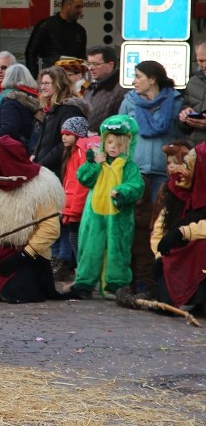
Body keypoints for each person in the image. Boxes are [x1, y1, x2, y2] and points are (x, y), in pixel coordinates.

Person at [0, 136, 65, 304]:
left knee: (15, 291)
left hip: (28, 254)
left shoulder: (40, 186)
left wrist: (24, 255)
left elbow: (50, 228)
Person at [119, 60, 182, 294]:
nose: (134, 81)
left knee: (160, 225)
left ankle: (159, 277)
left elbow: (179, 136)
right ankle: (135, 278)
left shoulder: (175, 102)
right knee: (134, 225)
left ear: (152, 79)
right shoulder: (129, 102)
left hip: (165, 173)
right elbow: (120, 134)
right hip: (137, 171)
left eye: (138, 76)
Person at [64, 115, 144, 300]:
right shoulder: (98, 162)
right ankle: (84, 282)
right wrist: (92, 164)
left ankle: (115, 284)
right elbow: (83, 178)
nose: (113, 147)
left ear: (127, 145)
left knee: (117, 249)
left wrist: (122, 191)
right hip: (95, 214)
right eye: (109, 142)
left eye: (118, 144)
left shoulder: (129, 166)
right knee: (90, 248)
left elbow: (137, 186)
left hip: (118, 216)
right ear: (103, 142)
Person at [151, 142, 206, 316]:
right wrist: (158, 253)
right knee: (168, 258)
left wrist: (184, 232)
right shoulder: (178, 189)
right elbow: (161, 225)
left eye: (189, 166)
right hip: (182, 246)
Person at [52, 116, 92, 283]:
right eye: (63, 134)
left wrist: (74, 209)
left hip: (77, 207)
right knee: (74, 240)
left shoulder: (81, 153)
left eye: (68, 134)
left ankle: (83, 275)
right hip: (71, 206)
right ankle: (80, 274)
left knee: (78, 242)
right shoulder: (72, 153)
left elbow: (81, 185)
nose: (64, 137)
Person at [33, 66, 89, 174]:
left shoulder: (69, 110)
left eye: (47, 83)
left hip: (60, 172)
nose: (43, 87)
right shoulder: (52, 109)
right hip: (47, 171)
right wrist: (35, 157)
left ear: (58, 85)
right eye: (42, 83)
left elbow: (65, 144)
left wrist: (42, 164)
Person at [23, 0, 86, 75]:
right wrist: (35, 77)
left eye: (81, 7)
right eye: (77, 7)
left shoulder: (80, 31)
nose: (80, 10)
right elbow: (30, 52)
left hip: (71, 80)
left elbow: (82, 58)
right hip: (49, 77)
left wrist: (80, 78)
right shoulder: (46, 25)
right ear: (67, 6)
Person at [0, 64, 40, 149]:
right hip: (28, 147)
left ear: (8, 78)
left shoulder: (11, 102)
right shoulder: (33, 97)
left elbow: (8, 129)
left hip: (12, 150)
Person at [82, 45, 128, 134]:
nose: (91, 68)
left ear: (110, 65)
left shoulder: (122, 90)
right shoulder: (89, 87)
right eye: (89, 64)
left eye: (96, 64)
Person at [177, 39, 206, 147]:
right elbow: (182, 128)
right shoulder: (192, 82)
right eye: (200, 61)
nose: (204, 65)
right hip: (195, 149)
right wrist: (184, 118)